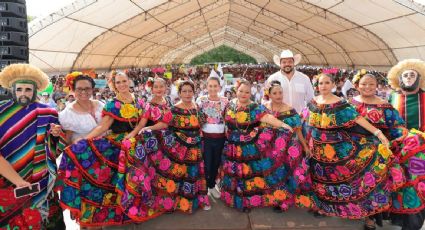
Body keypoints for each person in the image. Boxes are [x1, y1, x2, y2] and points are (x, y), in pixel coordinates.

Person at [58, 71, 159, 228]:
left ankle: (137, 209)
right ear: (114, 85)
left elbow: (142, 123)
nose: (122, 85)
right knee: (119, 180)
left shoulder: (138, 101)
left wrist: (133, 134)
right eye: (118, 82)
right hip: (120, 145)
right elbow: (102, 127)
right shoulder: (112, 104)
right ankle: (118, 213)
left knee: (139, 177)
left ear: (129, 81)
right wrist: (84, 141)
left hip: (136, 142)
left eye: (124, 81)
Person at [295, 73, 391, 222]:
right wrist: (301, 141)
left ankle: (348, 210)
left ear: (333, 85)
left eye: (327, 83)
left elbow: (358, 119)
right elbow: (300, 121)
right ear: (317, 86)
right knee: (320, 180)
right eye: (321, 83)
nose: (324, 86)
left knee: (338, 180)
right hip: (316, 149)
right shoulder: (313, 102)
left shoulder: (341, 104)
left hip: (337, 150)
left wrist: (379, 134)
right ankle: (323, 207)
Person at [0, 63, 64, 229]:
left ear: (34, 91)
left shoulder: (48, 112)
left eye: (28, 90)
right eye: (19, 89)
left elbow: (56, 148)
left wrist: (55, 135)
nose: (23, 93)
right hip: (6, 178)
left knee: (46, 223)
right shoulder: (1, 112)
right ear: (12, 89)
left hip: (40, 175)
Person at [220, 79, 295, 212]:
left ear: (251, 93)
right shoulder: (229, 104)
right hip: (231, 145)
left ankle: (247, 202)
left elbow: (268, 118)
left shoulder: (255, 107)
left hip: (248, 148)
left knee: (247, 174)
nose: (243, 94)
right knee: (234, 173)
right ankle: (234, 198)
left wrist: (283, 125)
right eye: (241, 91)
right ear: (236, 91)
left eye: (247, 92)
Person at [349, 71, 408, 229]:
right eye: (364, 84)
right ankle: (355, 210)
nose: (367, 87)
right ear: (357, 86)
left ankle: (370, 218)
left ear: (377, 86)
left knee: (371, 186)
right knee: (354, 184)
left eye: (371, 84)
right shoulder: (349, 104)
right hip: (350, 153)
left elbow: (398, 127)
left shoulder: (385, 106)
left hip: (376, 154)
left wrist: (401, 138)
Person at [145, 80, 210, 213]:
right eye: (184, 91)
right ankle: (178, 203)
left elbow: (202, 123)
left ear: (194, 92)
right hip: (180, 148)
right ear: (179, 93)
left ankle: (198, 201)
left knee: (195, 174)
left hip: (196, 147)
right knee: (180, 174)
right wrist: (148, 128)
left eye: (190, 91)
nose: (187, 94)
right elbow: (163, 124)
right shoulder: (174, 109)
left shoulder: (197, 107)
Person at [387, 59, 425, 230]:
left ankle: (413, 224)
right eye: (405, 75)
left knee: (417, 188)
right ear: (399, 79)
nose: (409, 78)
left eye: (412, 75)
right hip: (397, 151)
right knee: (399, 186)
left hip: (421, 153)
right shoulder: (392, 97)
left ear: (419, 79)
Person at [263, 80, 311, 212]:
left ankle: (286, 201)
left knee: (286, 173)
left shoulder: (290, 109)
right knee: (272, 173)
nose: (278, 95)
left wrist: (305, 147)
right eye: (275, 93)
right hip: (269, 147)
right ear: (269, 94)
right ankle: (275, 197)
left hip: (288, 149)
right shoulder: (264, 107)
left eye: (280, 92)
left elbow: (298, 129)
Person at [196, 76, 229, 203]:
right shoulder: (201, 100)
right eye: (210, 86)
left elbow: (228, 117)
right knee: (207, 163)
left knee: (216, 163)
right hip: (206, 137)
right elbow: (197, 117)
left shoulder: (225, 101)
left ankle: (211, 185)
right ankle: (208, 186)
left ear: (219, 87)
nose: (213, 88)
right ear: (206, 87)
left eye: (215, 86)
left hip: (221, 137)